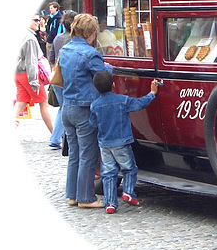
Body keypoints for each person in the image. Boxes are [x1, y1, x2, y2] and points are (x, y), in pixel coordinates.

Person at [60, 13, 112, 208]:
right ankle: (85, 197)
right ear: (91, 33)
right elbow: (103, 77)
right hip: (84, 109)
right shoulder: (90, 54)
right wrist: (109, 68)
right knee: (88, 154)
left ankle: (72, 195)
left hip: (68, 106)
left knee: (74, 153)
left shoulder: (66, 48)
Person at [89, 70, 159, 214]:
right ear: (114, 85)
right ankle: (128, 192)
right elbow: (140, 104)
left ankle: (109, 203)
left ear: (96, 88)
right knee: (129, 168)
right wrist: (152, 93)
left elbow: (92, 123)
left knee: (108, 173)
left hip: (104, 144)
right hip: (121, 142)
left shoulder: (94, 105)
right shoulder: (123, 100)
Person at [14, 15, 54, 132]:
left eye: (39, 19)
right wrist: (34, 82)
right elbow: (31, 62)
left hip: (19, 73)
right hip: (27, 74)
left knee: (21, 102)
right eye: (35, 20)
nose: (39, 22)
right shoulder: (30, 38)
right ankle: (54, 135)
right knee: (43, 103)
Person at [47, 11, 75, 149]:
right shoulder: (74, 39)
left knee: (63, 108)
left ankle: (56, 137)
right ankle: (57, 137)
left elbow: (51, 58)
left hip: (57, 78)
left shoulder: (58, 38)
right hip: (68, 78)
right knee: (65, 108)